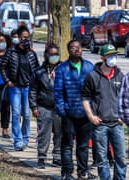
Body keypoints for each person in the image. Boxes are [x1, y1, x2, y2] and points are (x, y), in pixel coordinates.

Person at [82, 44, 126, 180]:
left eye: (115, 55)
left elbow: (126, 98)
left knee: (120, 158)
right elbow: (84, 97)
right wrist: (91, 116)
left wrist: (123, 116)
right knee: (102, 159)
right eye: (110, 56)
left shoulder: (120, 75)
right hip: (100, 125)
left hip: (117, 124)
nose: (113, 58)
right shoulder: (93, 76)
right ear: (103, 58)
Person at [54, 40, 96, 180]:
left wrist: (93, 110)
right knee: (67, 145)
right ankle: (67, 172)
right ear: (68, 50)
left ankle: (82, 171)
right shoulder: (62, 69)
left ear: (82, 50)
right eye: (72, 48)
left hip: (86, 113)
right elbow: (58, 92)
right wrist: (62, 110)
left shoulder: (89, 67)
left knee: (83, 145)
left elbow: (95, 90)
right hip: (69, 114)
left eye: (78, 47)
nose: (76, 50)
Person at [2, 25, 40, 151]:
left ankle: (25, 138)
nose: (25, 40)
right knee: (16, 113)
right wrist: (7, 81)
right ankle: (17, 140)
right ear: (18, 38)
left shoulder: (32, 54)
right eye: (23, 37)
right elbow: (2, 67)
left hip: (28, 87)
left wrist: (35, 85)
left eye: (27, 37)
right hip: (15, 87)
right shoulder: (11, 52)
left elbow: (37, 70)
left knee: (27, 115)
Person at [29, 43, 62, 169]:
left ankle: (57, 157)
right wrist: (34, 107)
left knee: (60, 134)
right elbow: (32, 90)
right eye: (51, 54)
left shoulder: (63, 70)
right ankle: (41, 157)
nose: (54, 56)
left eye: (56, 54)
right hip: (44, 107)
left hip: (59, 109)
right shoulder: (39, 72)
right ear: (46, 55)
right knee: (44, 134)